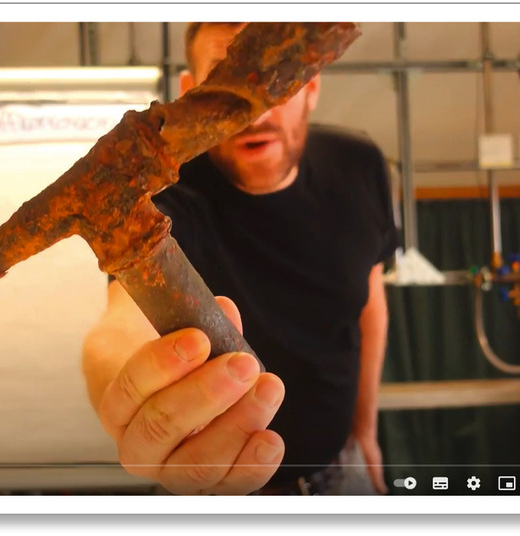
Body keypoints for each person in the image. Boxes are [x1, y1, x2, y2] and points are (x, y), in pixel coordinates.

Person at [82, 22, 398, 495]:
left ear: (311, 84)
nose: (255, 108)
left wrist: (366, 430)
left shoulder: (360, 165)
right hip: (215, 492)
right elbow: (121, 324)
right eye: (225, 78)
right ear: (190, 93)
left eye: (279, 73)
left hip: (342, 470)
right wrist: (126, 390)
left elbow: (369, 301)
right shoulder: (165, 197)